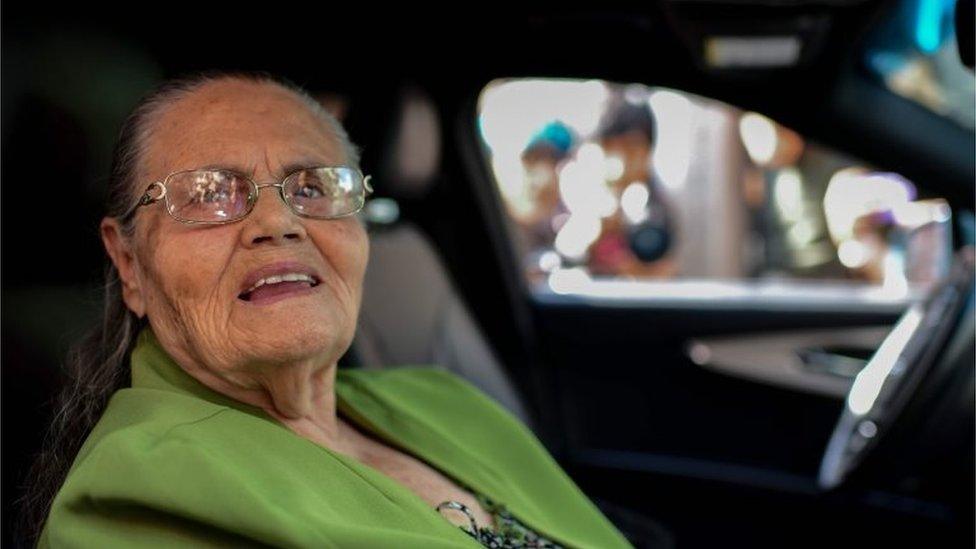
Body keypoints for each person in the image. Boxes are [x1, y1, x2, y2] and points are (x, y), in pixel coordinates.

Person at [22, 72, 632, 548]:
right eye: (209, 194)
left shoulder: (444, 400)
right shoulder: (136, 494)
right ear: (129, 263)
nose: (277, 222)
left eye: (313, 187)